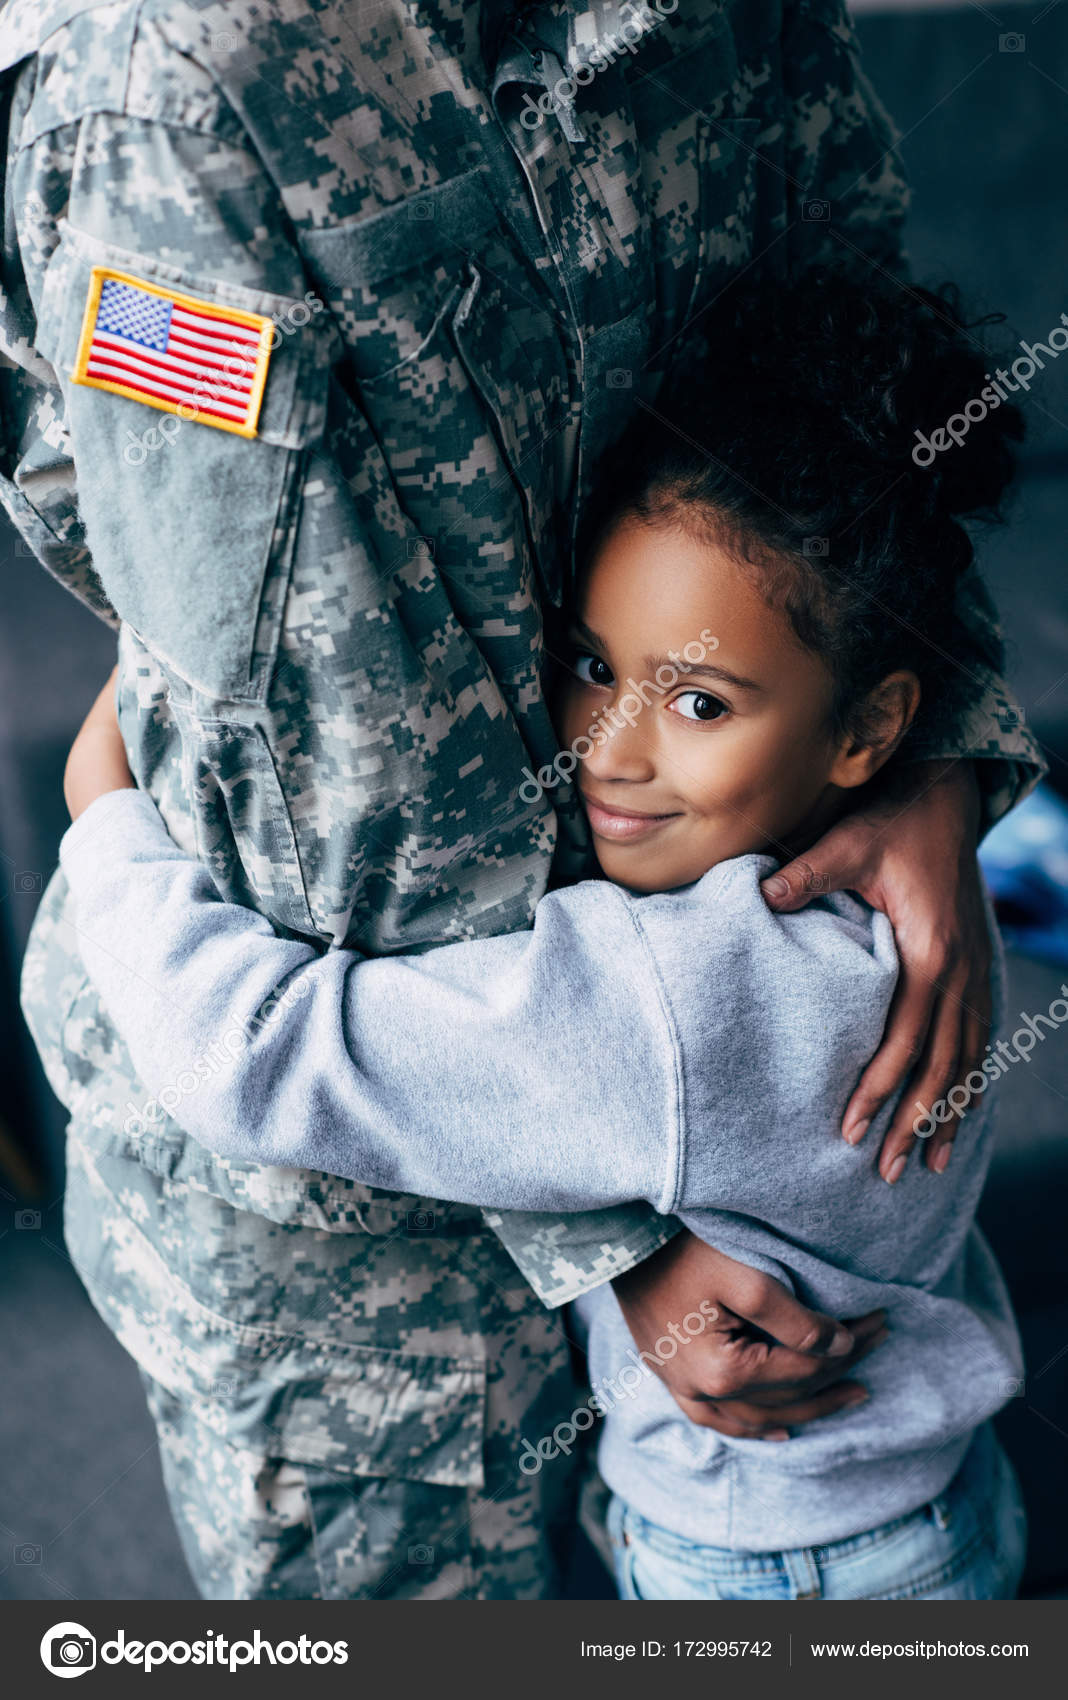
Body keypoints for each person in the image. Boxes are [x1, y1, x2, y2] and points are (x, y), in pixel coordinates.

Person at [0, 0, 1041, 1598]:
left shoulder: (703, 990)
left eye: (684, 701)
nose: (610, 740)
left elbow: (862, 388)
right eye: (591, 669)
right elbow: (283, 726)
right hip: (366, 1284)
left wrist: (937, 769)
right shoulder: (180, 92)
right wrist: (608, 1237)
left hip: (685, 1358)